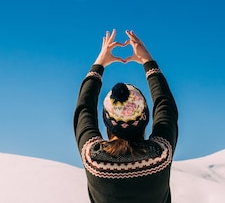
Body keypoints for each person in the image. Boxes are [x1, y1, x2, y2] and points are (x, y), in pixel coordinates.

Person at [73, 29, 178, 203]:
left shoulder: (94, 160)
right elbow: (165, 105)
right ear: (144, 120)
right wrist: (147, 61)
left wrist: (100, 63)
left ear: (107, 123)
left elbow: (84, 109)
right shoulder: (160, 155)